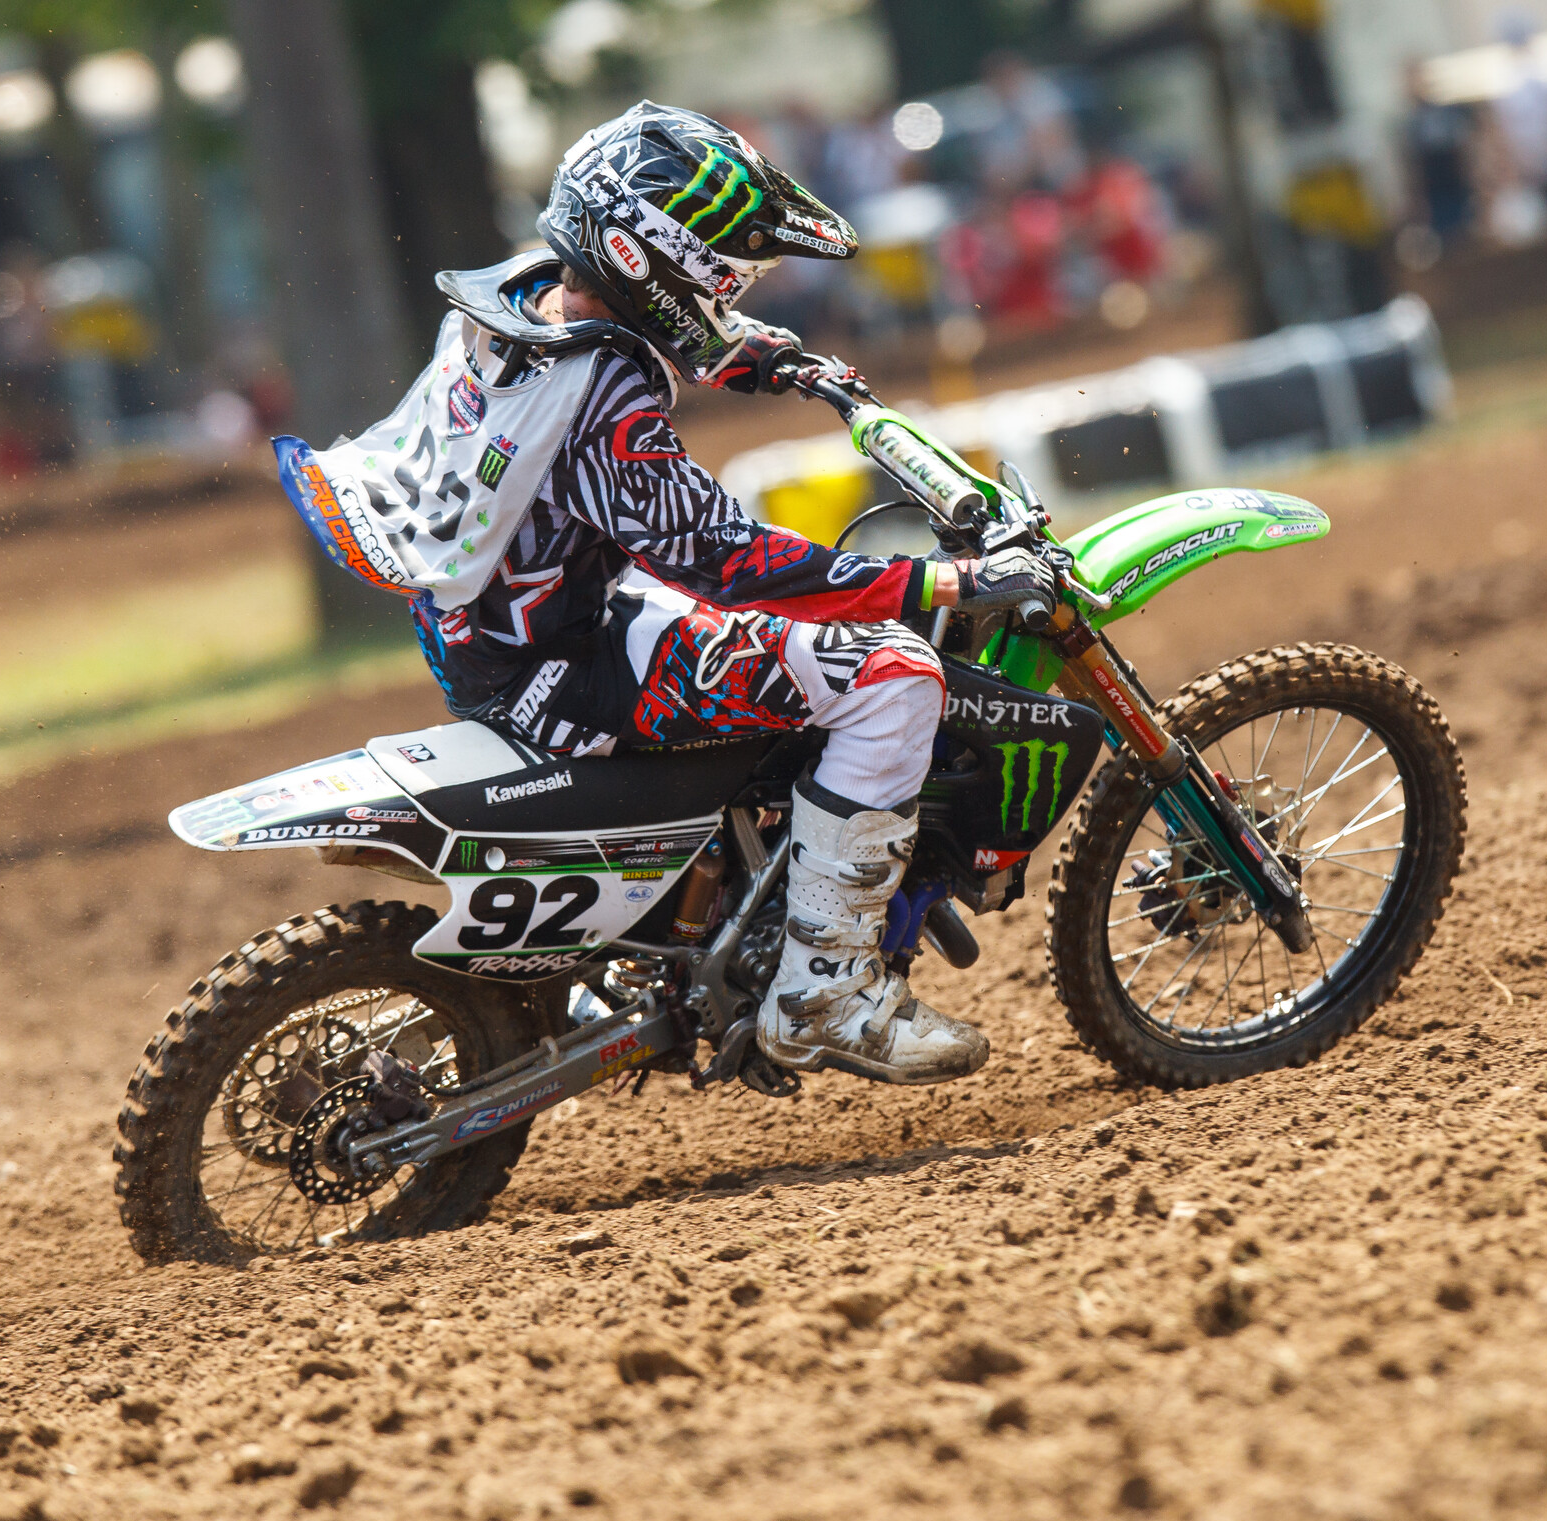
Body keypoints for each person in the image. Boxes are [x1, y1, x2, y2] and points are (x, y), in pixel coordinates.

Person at [270, 103, 1058, 1086]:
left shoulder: (511, 299)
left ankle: (703, 909)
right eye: (722, 271)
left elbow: (627, 339)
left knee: (768, 661)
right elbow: (725, 557)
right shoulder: (605, 397)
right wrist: (944, 579)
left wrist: (758, 354)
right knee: (893, 672)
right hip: (565, 668)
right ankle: (825, 990)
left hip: (501, 630)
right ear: (651, 262)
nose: (731, 288)